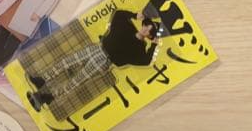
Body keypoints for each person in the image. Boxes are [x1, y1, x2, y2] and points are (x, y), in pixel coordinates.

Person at [23, 9, 163, 117]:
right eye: (147, 26)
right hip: (98, 48)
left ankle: (49, 97)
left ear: (149, 36)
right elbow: (119, 14)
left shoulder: (140, 48)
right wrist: (134, 15)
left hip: (104, 61)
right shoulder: (128, 26)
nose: (145, 29)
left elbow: (146, 61)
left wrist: (154, 45)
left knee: (77, 80)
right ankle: (42, 79)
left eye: (149, 31)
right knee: (68, 61)